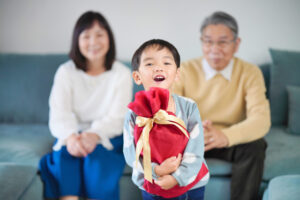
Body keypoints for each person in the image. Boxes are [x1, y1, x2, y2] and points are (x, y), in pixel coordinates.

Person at [172, 11, 271, 200]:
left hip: (228, 138)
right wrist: (196, 131)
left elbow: (261, 119)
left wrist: (226, 136)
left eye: (223, 42)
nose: (214, 49)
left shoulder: (250, 73)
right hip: (190, 138)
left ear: (236, 44)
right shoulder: (184, 70)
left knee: (256, 146)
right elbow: (171, 111)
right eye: (208, 41)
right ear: (201, 42)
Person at [39, 11, 132, 200]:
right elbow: (59, 113)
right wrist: (72, 138)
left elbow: (118, 117)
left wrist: (94, 134)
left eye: (99, 35)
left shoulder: (121, 73)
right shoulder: (66, 71)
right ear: (77, 40)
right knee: (65, 158)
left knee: (96, 161)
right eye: (86, 36)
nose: (93, 42)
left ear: (109, 38)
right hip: (72, 136)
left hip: (107, 137)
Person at [123, 39, 209, 200]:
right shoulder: (133, 113)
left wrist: (177, 177)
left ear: (177, 74)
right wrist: (156, 170)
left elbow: (196, 149)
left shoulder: (189, 107)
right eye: (149, 64)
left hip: (190, 182)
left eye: (166, 62)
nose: (158, 67)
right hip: (151, 182)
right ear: (137, 76)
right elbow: (130, 153)